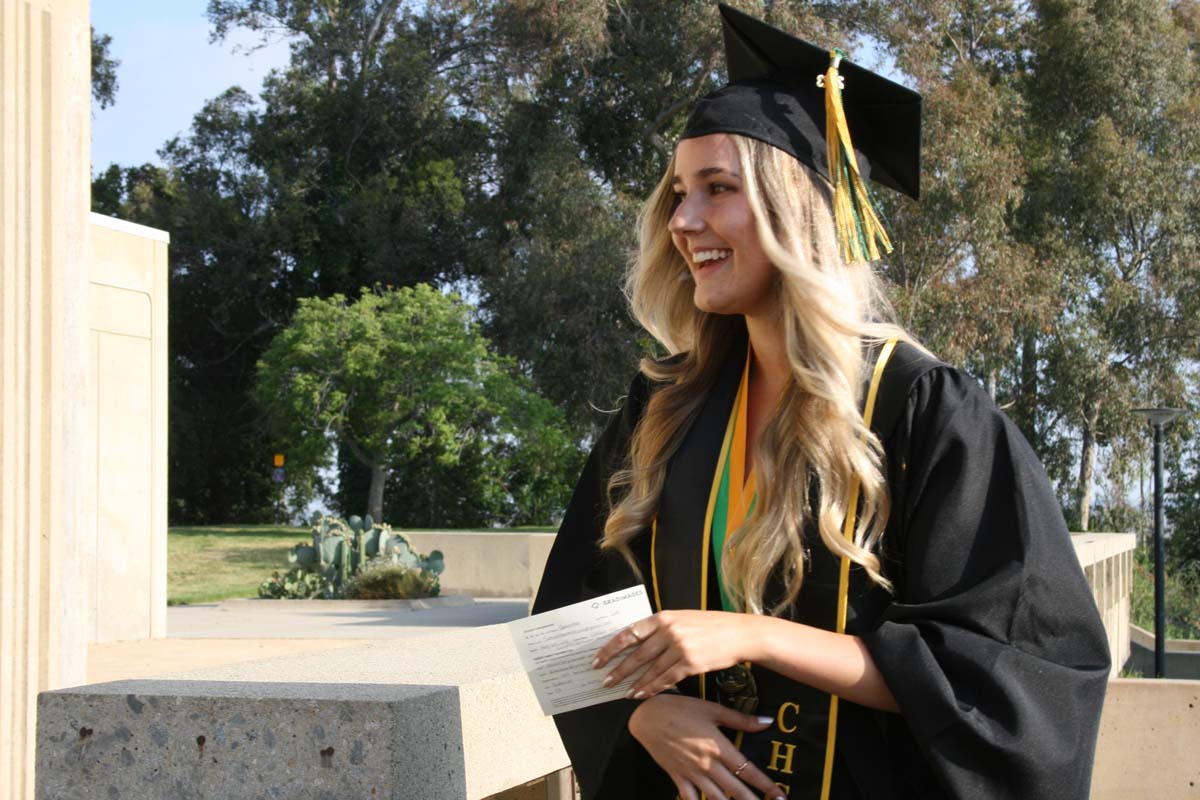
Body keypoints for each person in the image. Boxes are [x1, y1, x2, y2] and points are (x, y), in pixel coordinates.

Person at [531, 5, 1111, 799]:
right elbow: (571, 616)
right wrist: (643, 716)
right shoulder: (664, 406)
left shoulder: (922, 412)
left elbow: (1008, 678)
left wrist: (756, 637)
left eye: (718, 189)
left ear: (797, 210)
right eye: (678, 193)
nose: (684, 221)